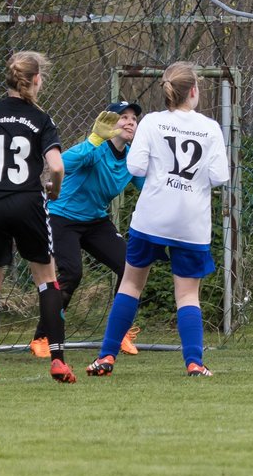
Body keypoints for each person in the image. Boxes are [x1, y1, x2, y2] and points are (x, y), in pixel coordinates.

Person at [87, 62, 230, 378]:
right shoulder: (209, 128)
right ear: (193, 91)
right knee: (188, 294)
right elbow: (220, 176)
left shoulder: (151, 123)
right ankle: (194, 362)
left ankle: (106, 357)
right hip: (191, 222)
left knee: (131, 284)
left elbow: (136, 168)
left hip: (152, 218)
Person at [0, 50, 77, 384]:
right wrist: (54, 189)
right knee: (47, 280)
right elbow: (57, 165)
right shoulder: (41, 119)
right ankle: (58, 360)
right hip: (26, 203)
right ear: (35, 80)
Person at [27, 100, 146, 360]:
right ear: (109, 124)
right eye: (122, 117)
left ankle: (120, 333)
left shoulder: (132, 158)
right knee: (72, 272)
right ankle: (42, 337)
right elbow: (63, 163)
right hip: (62, 216)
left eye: (133, 119)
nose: (129, 122)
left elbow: (148, 186)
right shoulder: (95, 149)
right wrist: (93, 139)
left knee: (131, 267)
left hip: (95, 220)